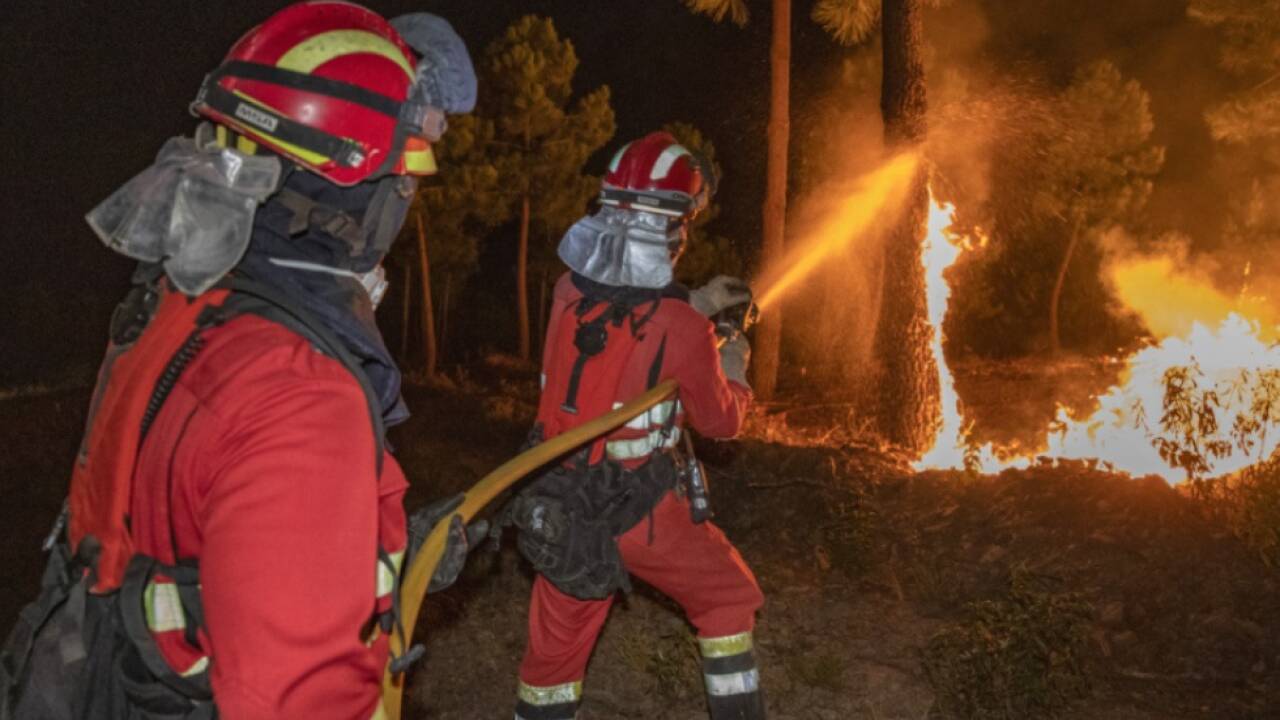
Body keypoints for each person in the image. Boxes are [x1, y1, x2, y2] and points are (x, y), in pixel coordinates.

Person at [0, 4, 482, 718]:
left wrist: (366, 549)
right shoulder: (303, 393)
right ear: (362, 188)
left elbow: (199, 528)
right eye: (406, 177)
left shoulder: (182, 298)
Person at [509, 131, 766, 720]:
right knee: (727, 597)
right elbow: (721, 423)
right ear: (675, 228)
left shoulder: (566, 291)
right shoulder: (682, 327)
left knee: (552, 664)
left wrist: (695, 304)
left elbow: (626, 318)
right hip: (640, 513)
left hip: (562, 504)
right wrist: (733, 364)